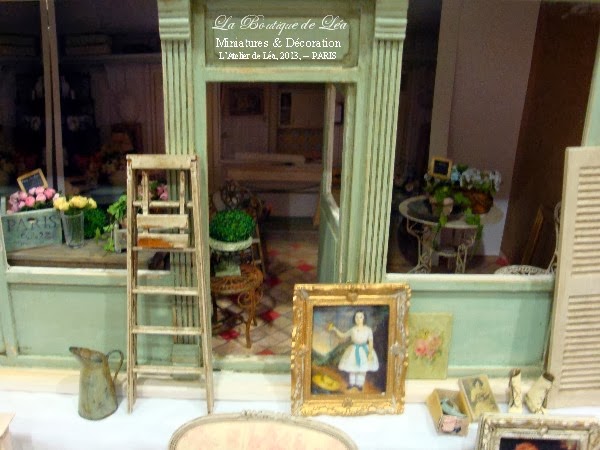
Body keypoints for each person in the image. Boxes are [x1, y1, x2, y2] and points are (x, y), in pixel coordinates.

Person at [328, 310, 379, 391]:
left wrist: (369, 353)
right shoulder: (353, 330)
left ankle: (359, 385)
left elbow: (370, 341)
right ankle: (352, 384)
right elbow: (343, 335)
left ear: (364, 318)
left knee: (362, 369)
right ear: (354, 319)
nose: (358, 319)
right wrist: (334, 329)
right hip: (354, 350)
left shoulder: (368, 329)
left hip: (364, 350)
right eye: (356, 317)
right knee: (352, 367)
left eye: (360, 317)